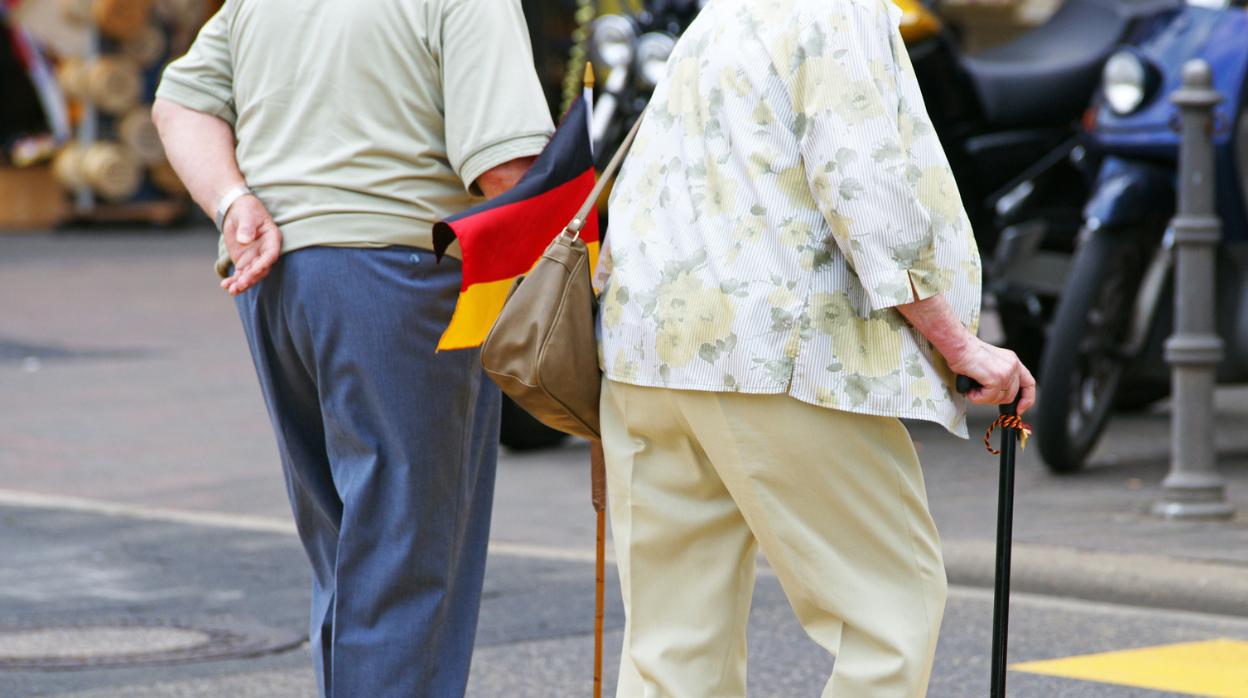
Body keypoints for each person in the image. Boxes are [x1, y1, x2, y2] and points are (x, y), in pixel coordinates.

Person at [595, 0, 1036, 695]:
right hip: (776, 348)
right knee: (890, 608)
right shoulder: (837, 10)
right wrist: (960, 345)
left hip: (647, 350)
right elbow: (864, 185)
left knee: (674, 642)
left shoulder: (718, 16)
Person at [151, 1, 553, 695]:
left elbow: (179, 103)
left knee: (348, 547)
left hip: (277, 277)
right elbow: (510, 171)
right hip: (398, 277)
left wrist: (231, 200)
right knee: (406, 555)